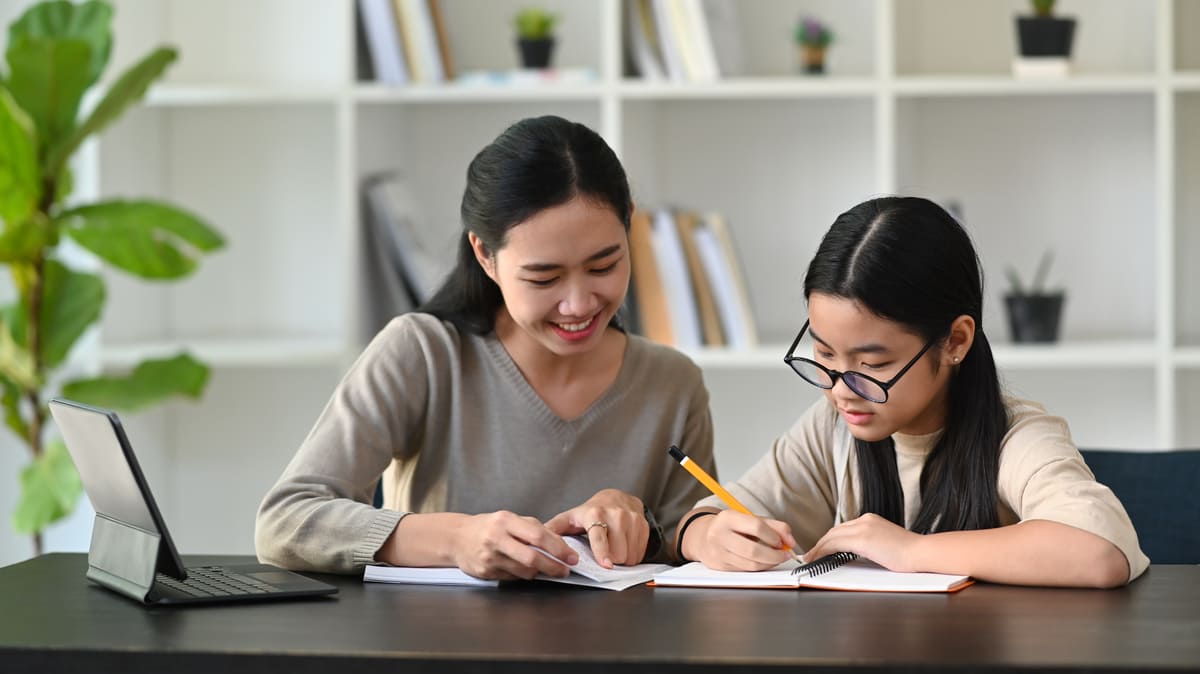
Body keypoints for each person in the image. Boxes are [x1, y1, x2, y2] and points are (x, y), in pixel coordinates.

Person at [256, 115, 714, 579]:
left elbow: (691, 547)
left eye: (604, 265)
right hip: (441, 646)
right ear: (485, 255)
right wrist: (456, 540)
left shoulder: (672, 383)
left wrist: (641, 523)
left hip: (619, 647)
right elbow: (285, 521)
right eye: (544, 277)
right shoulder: (424, 354)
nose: (578, 303)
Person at [673, 196, 1148, 588]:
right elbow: (708, 514)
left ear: (955, 341)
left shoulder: (1015, 436)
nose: (841, 391)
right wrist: (706, 534)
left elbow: (1099, 552)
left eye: (873, 364)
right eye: (823, 355)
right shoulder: (831, 429)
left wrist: (912, 549)